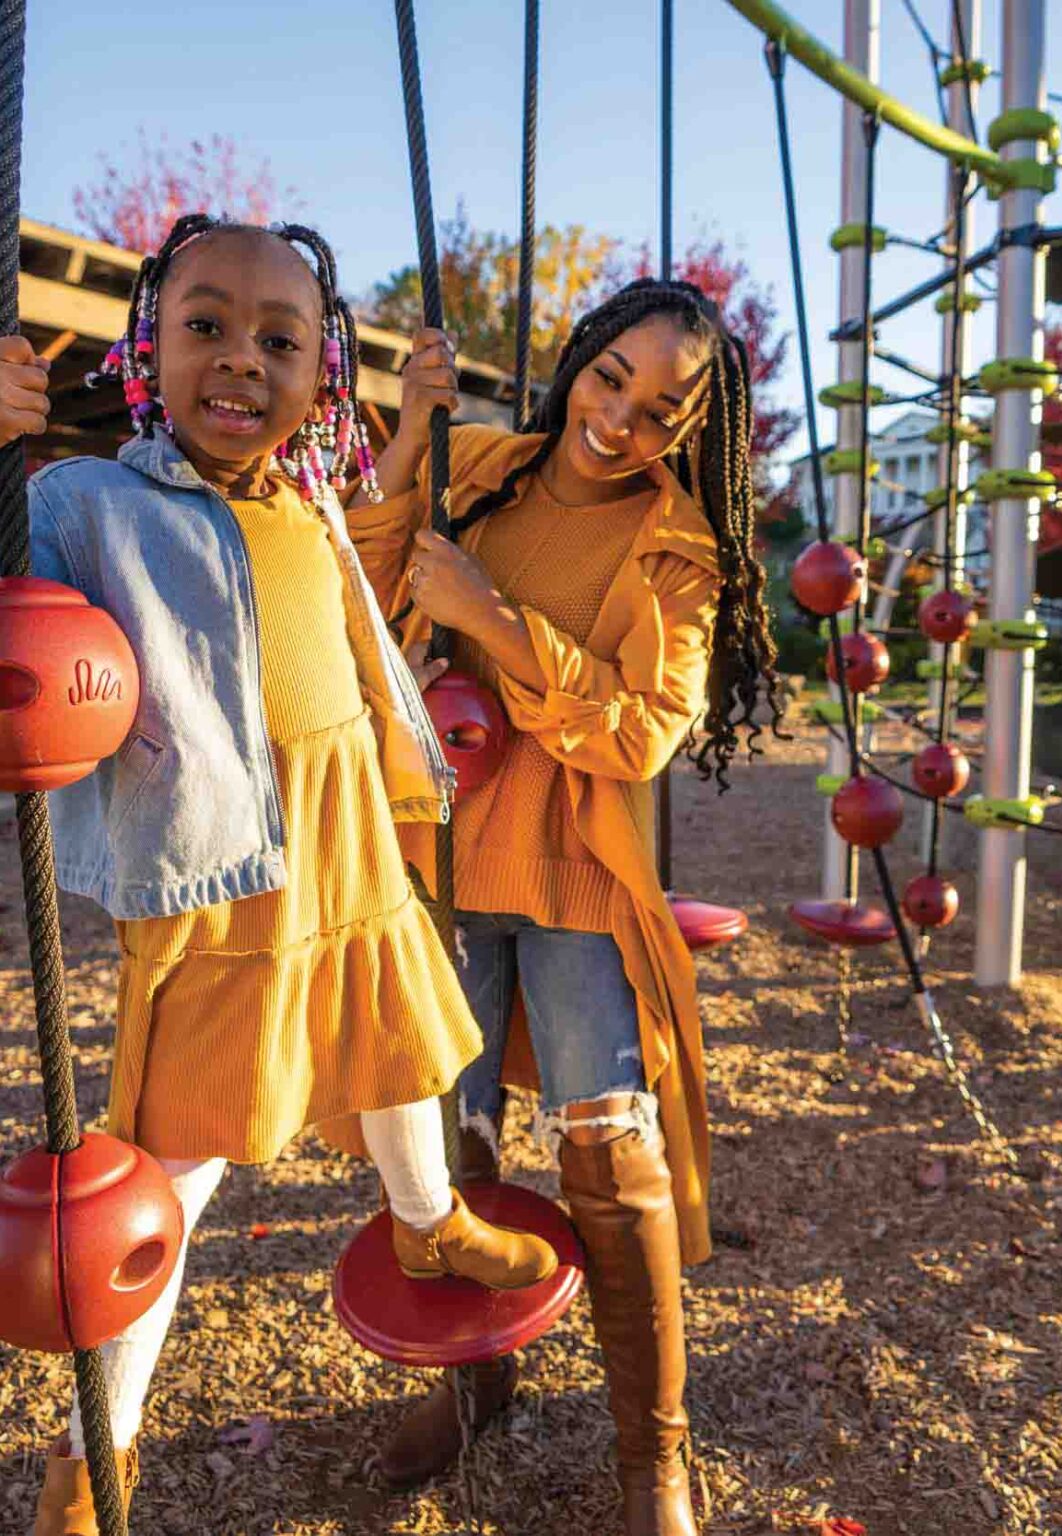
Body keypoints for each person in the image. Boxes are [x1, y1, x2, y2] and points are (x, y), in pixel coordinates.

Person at [2, 214, 557, 1536]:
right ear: (151, 342)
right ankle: (97, 1456)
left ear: (321, 374)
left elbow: (374, 552)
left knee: (403, 1057)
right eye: (205, 326)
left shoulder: (307, 505)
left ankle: (426, 1224)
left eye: (278, 338)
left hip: (351, 849)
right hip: (217, 887)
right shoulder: (89, 503)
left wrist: (417, 421)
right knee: (160, 1194)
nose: (239, 360)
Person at [347, 278, 781, 1536]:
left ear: (694, 429)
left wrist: (498, 622)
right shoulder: (477, 468)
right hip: (439, 866)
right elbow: (364, 605)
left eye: (661, 409)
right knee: (450, 1149)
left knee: (611, 1154)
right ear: (579, 359)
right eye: (610, 379)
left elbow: (640, 734)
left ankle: (655, 1455)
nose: (621, 419)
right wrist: (407, 439)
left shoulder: (679, 549)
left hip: (576, 879)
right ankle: (478, 1386)